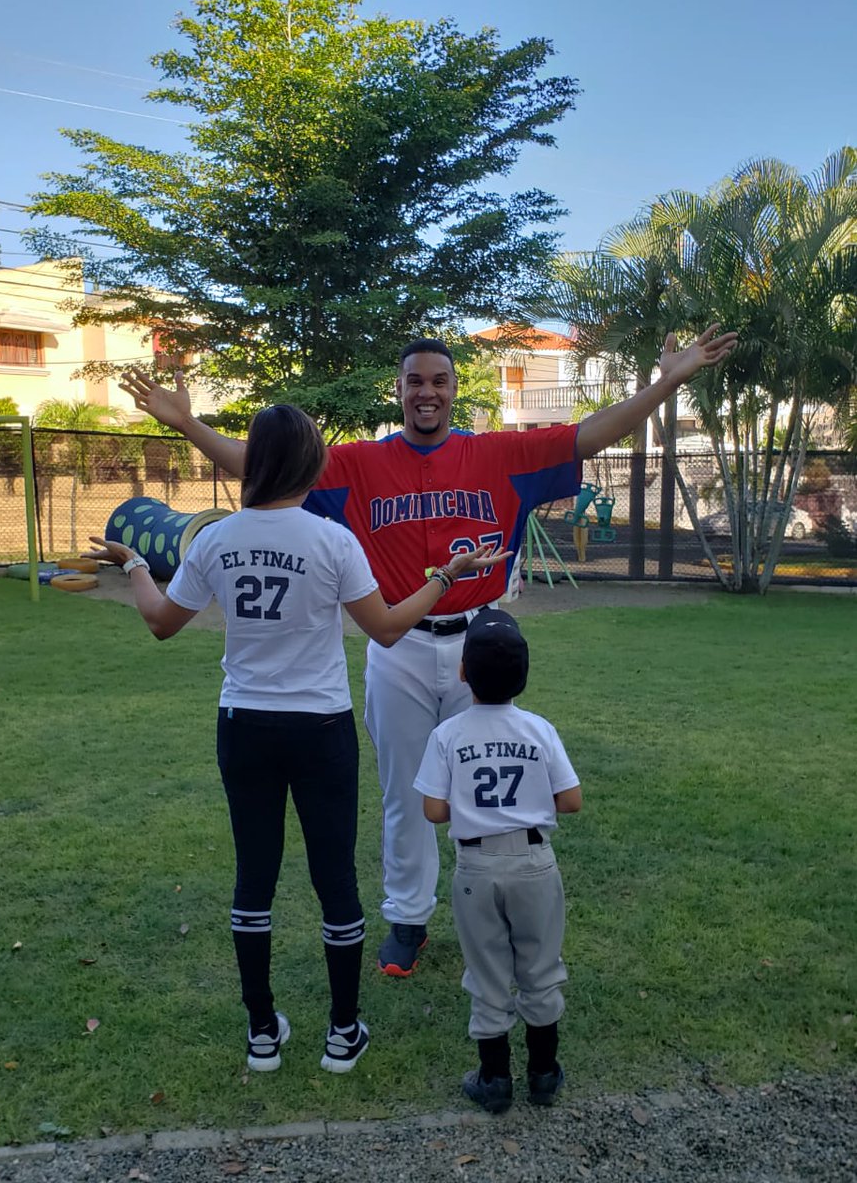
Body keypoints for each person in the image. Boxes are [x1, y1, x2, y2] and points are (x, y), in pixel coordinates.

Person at [119, 324, 736, 976]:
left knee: (491, 783)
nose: (427, 392)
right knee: (407, 793)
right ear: (399, 390)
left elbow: (591, 434)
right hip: (400, 644)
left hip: (481, 640)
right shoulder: (360, 463)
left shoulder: (499, 455)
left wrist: (667, 381)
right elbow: (264, 464)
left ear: (453, 388)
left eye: (439, 381)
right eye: (415, 381)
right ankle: (407, 920)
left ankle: (498, 912)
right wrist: (188, 425)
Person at [84, 403, 509, 1075]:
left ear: (257, 461)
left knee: (253, 880)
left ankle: (262, 1034)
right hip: (319, 728)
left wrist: (136, 564)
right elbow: (389, 629)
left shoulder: (215, 540)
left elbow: (163, 623)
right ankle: (343, 1033)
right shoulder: (331, 541)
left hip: (245, 727)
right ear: (310, 463)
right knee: (333, 879)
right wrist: (445, 579)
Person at [413, 608, 581, 1114]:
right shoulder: (538, 729)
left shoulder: (448, 735)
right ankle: (543, 1073)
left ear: (463, 673)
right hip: (534, 862)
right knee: (540, 966)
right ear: (524, 675)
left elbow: (434, 811)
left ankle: (494, 1079)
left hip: (476, 869)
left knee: (487, 972)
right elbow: (570, 800)